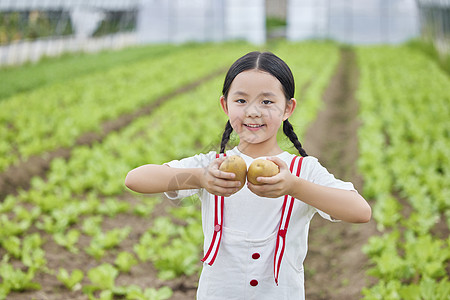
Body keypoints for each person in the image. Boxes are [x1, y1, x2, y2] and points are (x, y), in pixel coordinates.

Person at [125, 51, 371, 299]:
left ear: (288, 108)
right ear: (225, 105)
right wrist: (199, 178)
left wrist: (296, 187)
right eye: (241, 101)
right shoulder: (212, 167)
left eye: (266, 102)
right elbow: (135, 179)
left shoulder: (301, 171)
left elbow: (360, 211)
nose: (253, 112)